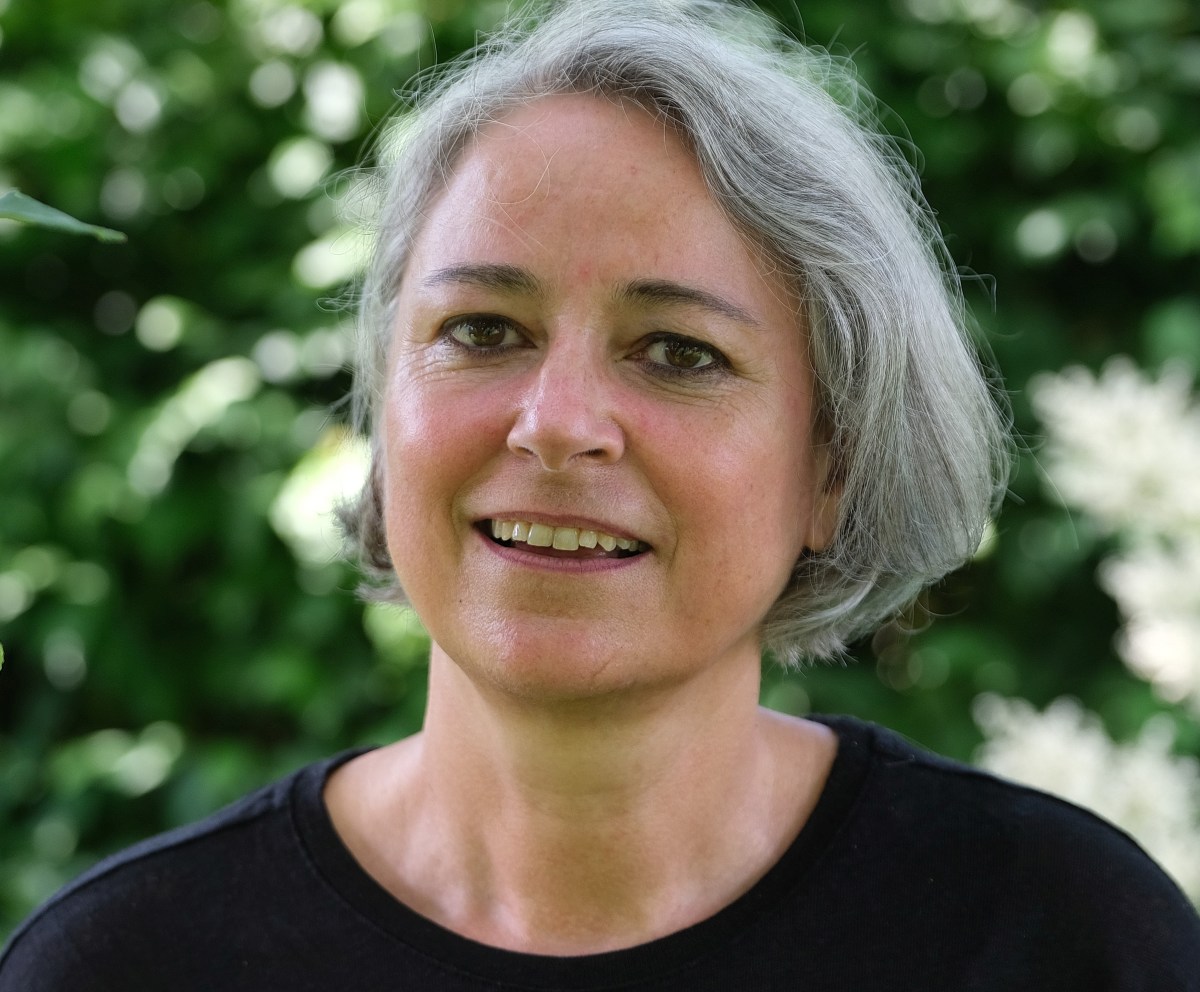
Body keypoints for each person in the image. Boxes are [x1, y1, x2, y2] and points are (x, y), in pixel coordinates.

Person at [3, 0, 1198, 988]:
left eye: (678, 351)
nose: (556, 421)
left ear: (831, 469)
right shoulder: (123, 964)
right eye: (483, 329)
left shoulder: (1068, 939)